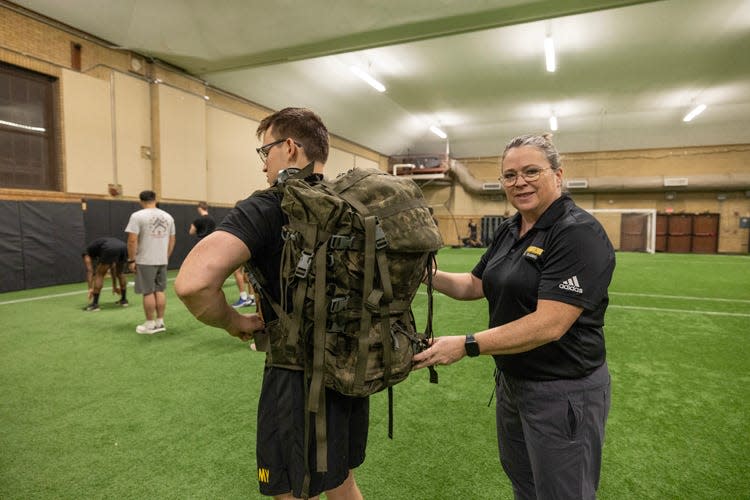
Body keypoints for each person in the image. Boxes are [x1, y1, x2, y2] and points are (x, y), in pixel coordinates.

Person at [175, 107, 367, 499]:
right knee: (339, 477)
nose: (264, 165)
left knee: (290, 489)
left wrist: (233, 321)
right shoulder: (351, 205)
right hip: (351, 369)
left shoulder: (266, 206)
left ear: (290, 147)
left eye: (266, 152)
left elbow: (193, 284)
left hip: (294, 375)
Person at [413, 134, 615, 500]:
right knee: (525, 486)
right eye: (509, 175)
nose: (519, 182)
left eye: (531, 171)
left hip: (563, 391)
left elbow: (549, 323)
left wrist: (467, 344)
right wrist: (421, 274)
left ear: (558, 174)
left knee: (563, 494)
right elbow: (475, 284)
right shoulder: (510, 229)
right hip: (512, 385)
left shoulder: (577, 233)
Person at [125, 190, 176, 335]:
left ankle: (149, 324)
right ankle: (160, 322)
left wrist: (131, 259)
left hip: (145, 260)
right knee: (159, 290)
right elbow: (172, 240)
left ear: (141, 201)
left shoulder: (137, 216)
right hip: (162, 259)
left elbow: (132, 240)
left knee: (148, 291)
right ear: (155, 199)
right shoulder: (168, 217)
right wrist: (166, 256)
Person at [82, 237, 129, 311]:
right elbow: (113, 267)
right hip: (124, 246)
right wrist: (114, 286)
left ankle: (95, 304)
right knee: (120, 273)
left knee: (99, 274)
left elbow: (90, 270)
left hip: (109, 247)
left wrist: (90, 288)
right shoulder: (99, 249)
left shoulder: (86, 253)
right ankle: (124, 300)